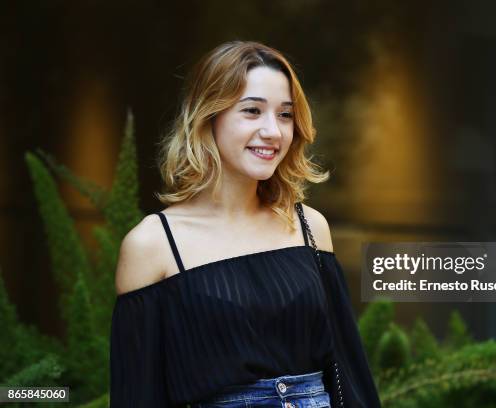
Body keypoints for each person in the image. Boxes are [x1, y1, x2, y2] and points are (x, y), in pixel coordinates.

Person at [110, 40, 381, 408]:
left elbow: (349, 376)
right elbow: (138, 397)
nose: (273, 131)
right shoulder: (153, 245)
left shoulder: (309, 228)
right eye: (252, 111)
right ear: (209, 116)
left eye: (285, 115)